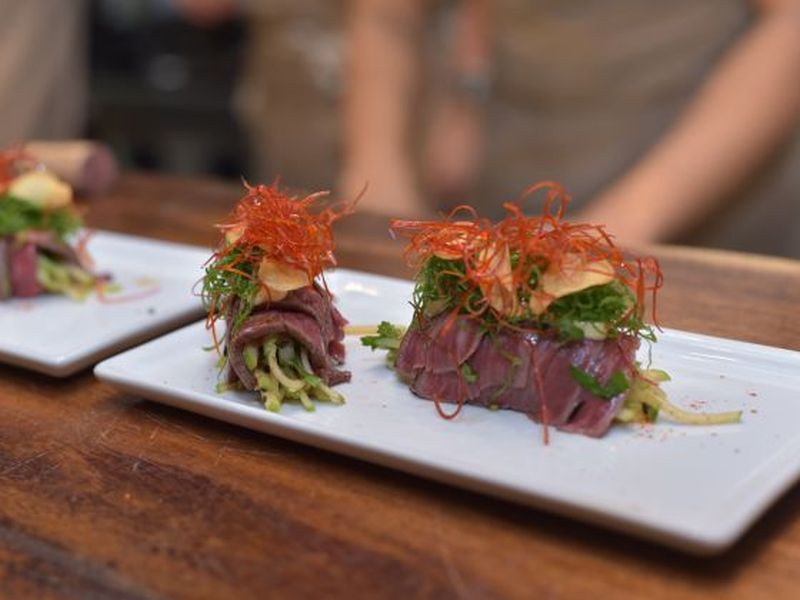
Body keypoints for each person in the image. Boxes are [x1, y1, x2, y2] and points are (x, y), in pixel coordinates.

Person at [340, 0, 800, 257]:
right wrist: (378, 171)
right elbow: (387, 16)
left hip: (710, 179)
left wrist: (623, 223)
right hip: (520, 164)